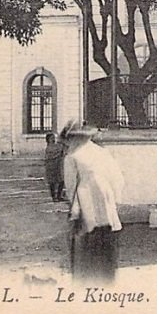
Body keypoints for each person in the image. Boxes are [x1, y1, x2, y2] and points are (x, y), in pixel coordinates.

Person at [61, 120, 125, 282]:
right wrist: (112, 200)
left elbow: (71, 187)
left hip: (84, 202)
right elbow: (118, 179)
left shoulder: (72, 157)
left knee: (84, 242)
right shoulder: (102, 152)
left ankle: (85, 280)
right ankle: (107, 277)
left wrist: (73, 206)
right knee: (106, 239)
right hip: (106, 200)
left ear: (73, 139)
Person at [44, 133, 66, 201]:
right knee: (52, 183)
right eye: (51, 138)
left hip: (58, 166)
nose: (53, 139)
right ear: (48, 140)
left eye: (53, 138)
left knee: (61, 181)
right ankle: (54, 197)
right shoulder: (49, 148)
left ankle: (59, 196)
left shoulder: (56, 146)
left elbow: (62, 151)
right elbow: (58, 152)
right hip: (51, 167)